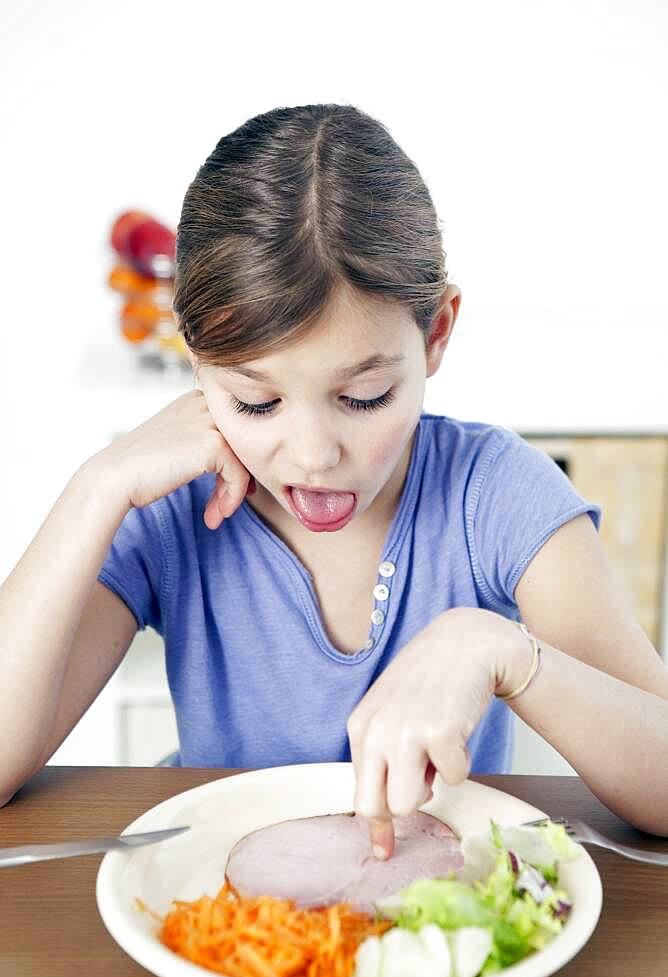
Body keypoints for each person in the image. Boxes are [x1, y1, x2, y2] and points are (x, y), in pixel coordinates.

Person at [1, 104, 667, 856]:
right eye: (255, 402)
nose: (313, 455)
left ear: (436, 333)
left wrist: (498, 649)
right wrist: (97, 486)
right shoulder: (169, 510)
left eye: (363, 398)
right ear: (194, 359)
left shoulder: (497, 495)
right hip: (217, 916)